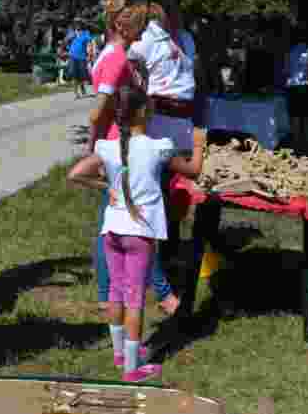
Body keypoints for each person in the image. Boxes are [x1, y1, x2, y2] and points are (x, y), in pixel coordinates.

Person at [67, 69, 206, 382]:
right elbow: (194, 171)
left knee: (116, 292)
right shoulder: (159, 147)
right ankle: (132, 368)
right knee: (135, 299)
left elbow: (75, 174)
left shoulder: (108, 147)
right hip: (139, 233)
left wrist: (107, 187)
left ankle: (119, 353)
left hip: (111, 230)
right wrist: (199, 144)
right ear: (144, 112)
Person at [89, 0, 181, 317]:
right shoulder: (116, 59)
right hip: (124, 148)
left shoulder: (112, 54)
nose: (144, 33)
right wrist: (94, 150)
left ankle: (108, 293)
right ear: (120, 24)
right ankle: (163, 293)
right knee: (137, 223)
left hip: (119, 145)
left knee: (112, 222)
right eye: (140, 27)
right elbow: (97, 112)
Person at [129, 0, 202, 263]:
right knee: (155, 189)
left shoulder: (186, 38)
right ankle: (150, 257)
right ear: (154, 8)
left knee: (179, 193)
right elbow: (130, 71)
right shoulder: (146, 38)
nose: (173, 13)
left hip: (184, 123)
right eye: (167, 8)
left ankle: (170, 250)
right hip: (158, 122)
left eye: (176, 7)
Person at [68, 23, 92, 98]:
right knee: (74, 75)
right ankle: (76, 93)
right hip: (72, 56)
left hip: (82, 57)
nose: (78, 29)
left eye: (79, 28)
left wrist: (89, 54)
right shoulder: (72, 34)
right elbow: (67, 40)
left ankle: (83, 90)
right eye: (76, 28)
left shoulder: (86, 34)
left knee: (81, 75)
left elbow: (89, 44)